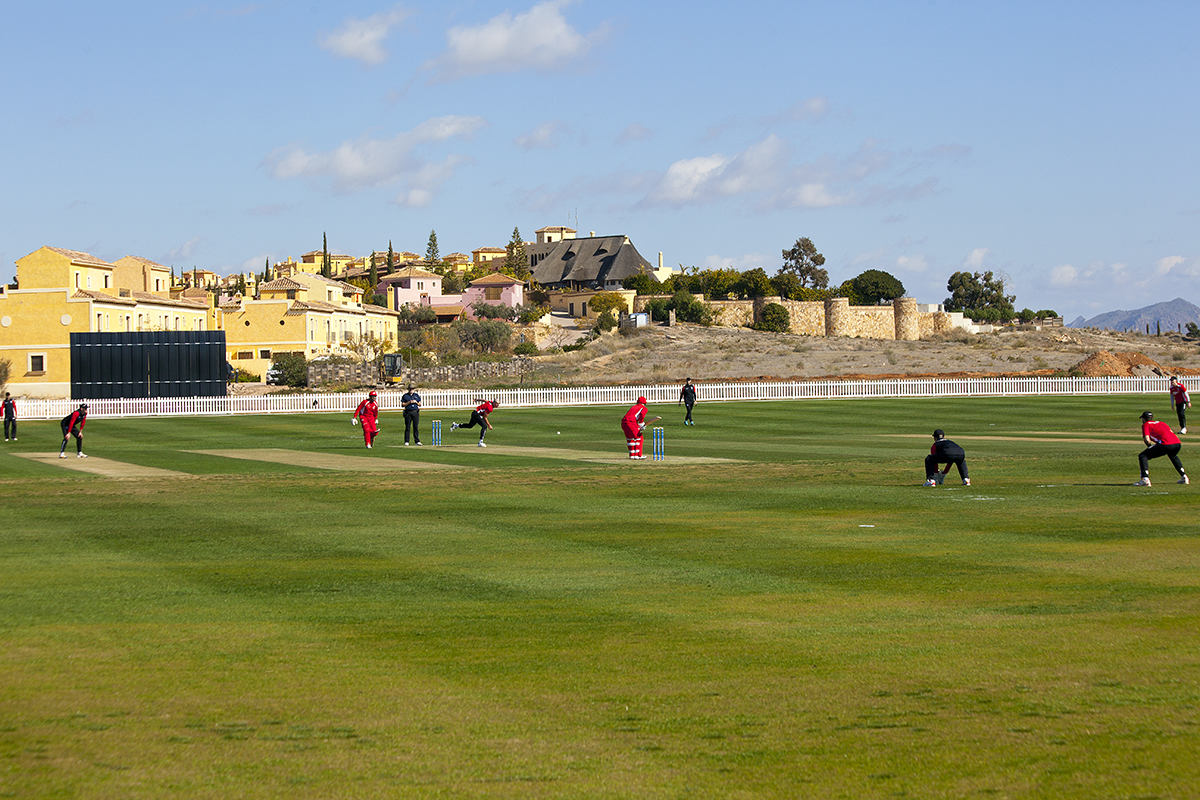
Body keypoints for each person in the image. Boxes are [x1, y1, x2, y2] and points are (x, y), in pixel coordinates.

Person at [1136, 411, 1188, 486]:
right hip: (1177, 443)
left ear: (1144, 419)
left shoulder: (1145, 425)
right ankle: (1184, 477)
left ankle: (1145, 479)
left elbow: (1146, 439)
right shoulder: (1161, 423)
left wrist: (1149, 447)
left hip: (1166, 444)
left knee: (1143, 456)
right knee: (1173, 456)